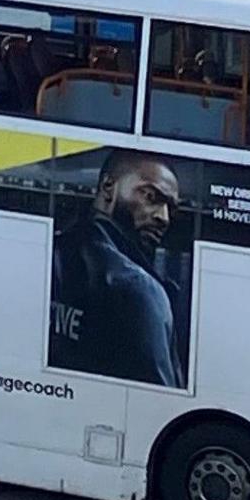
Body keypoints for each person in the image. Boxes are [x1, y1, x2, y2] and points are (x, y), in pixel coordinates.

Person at [50, 150, 188, 386]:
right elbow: (160, 402)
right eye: (151, 197)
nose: (164, 218)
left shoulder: (52, 251)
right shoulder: (139, 289)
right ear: (108, 187)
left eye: (171, 209)